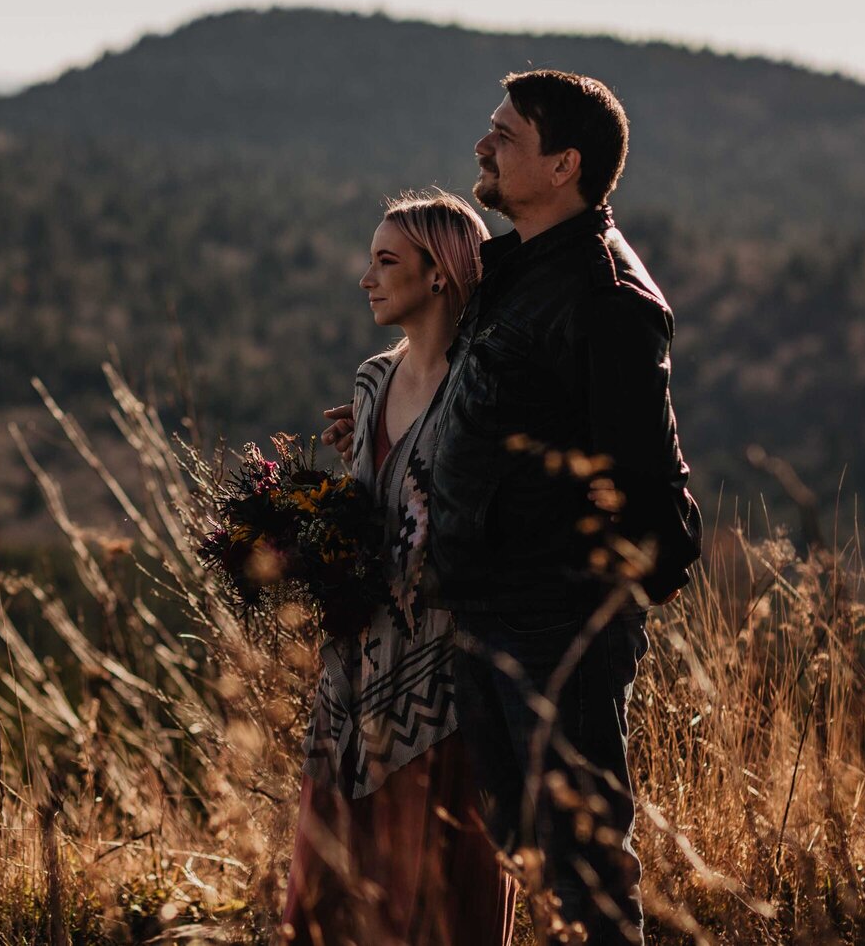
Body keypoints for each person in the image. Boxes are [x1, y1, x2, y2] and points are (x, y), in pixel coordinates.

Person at [322, 70, 701, 945]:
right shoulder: (509, 270)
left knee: (585, 865)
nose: (481, 148)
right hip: (480, 611)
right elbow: (459, 390)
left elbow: (646, 476)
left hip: (553, 625)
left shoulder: (606, 298)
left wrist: (591, 603)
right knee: (530, 855)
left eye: (505, 136)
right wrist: (380, 419)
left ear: (564, 165)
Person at [282, 190, 517, 945]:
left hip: (441, 673)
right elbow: (364, 506)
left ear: (441, 273)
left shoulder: (479, 389)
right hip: (353, 665)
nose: (367, 277)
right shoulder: (371, 380)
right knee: (336, 877)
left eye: (386, 260)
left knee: (433, 883)